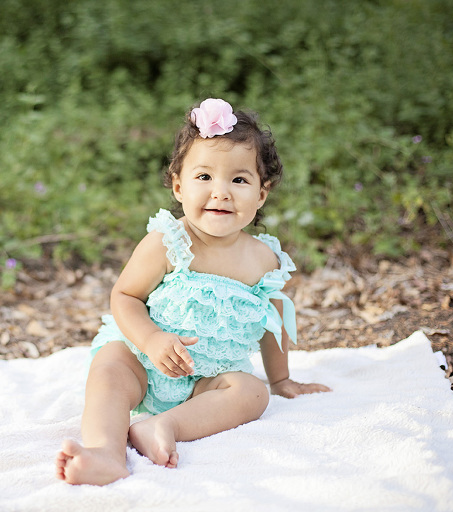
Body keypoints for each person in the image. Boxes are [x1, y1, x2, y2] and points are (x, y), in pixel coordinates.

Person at [55, 98, 331, 486]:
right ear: (178, 185)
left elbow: (275, 316)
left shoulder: (263, 258)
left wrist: (281, 379)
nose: (221, 192)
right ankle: (106, 452)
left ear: (261, 194)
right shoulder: (166, 243)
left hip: (208, 380)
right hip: (144, 365)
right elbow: (125, 296)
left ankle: (162, 426)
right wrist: (150, 340)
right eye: (204, 177)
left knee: (252, 393)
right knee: (110, 368)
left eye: (239, 180)